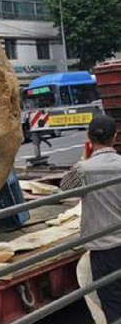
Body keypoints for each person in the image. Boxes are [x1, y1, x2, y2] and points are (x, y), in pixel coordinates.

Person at [61, 115, 121, 324]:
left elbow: (64, 188)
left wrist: (85, 159)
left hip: (103, 250)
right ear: (115, 137)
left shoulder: (83, 169)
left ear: (89, 137)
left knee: (112, 303)